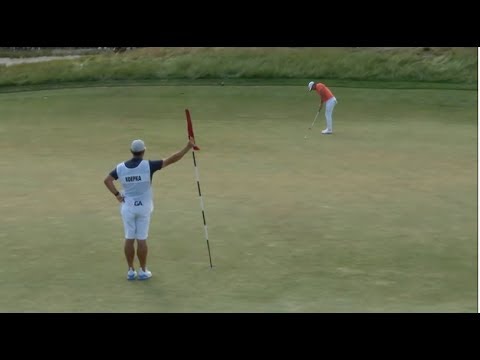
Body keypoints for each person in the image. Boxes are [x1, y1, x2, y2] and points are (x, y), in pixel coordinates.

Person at [104, 137, 196, 280]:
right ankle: (142, 270)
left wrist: (117, 194)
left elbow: (107, 180)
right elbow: (172, 159)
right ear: (144, 151)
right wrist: (188, 147)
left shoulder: (120, 167)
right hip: (144, 208)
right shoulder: (148, 165)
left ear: (131, 151)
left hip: (127, 207)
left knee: (129, 238)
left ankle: (130, 270)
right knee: (141, 239)